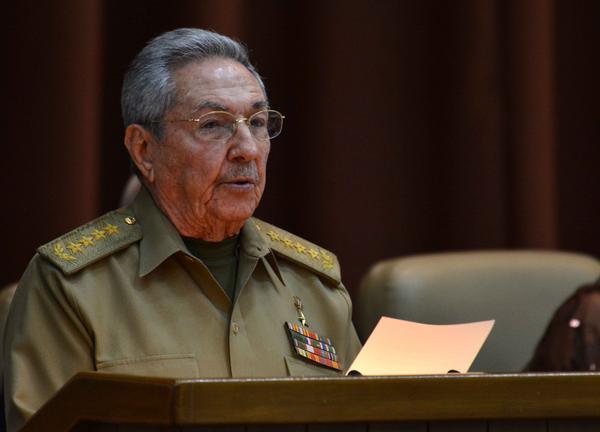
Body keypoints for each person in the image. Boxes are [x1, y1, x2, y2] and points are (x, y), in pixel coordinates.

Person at [3, 28, 361, 430]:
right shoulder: (72, 288)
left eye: (258, 122)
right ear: (144, 149)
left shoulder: (316, 286)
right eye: (213, 124)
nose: (247, 148)